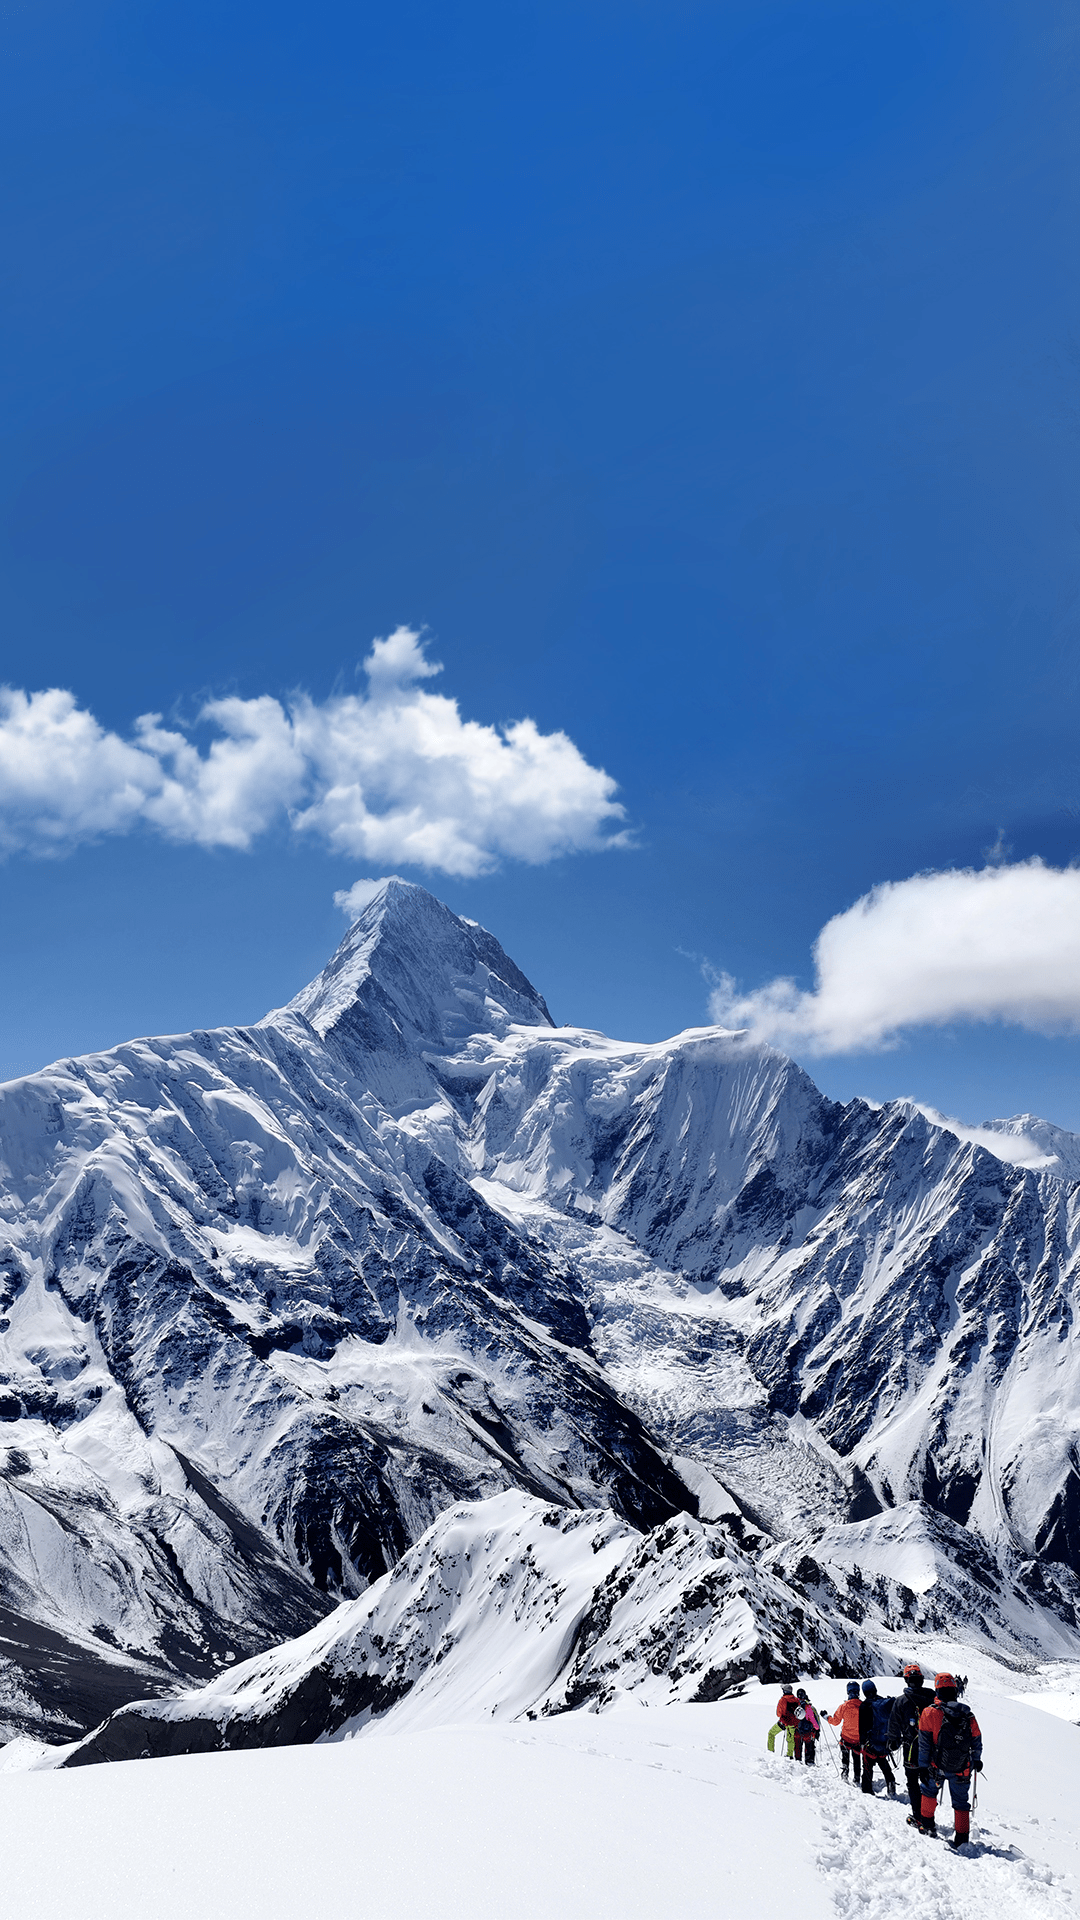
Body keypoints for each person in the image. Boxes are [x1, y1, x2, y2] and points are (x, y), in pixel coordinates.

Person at [917, 1672, 982, 1848]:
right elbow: (976, 1739)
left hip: (934, 1765)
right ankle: (962, 1838)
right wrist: (977, 1759)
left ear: (937, 1690)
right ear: (955, 1689)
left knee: (929, 1793)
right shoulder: (968, 1715)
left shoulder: (929, 1712)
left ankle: (927, 1825)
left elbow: (924, 1744)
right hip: (962, 1767)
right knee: (961, 1802)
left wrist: (922, 1766)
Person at [888, 1663, 936, 1824]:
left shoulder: (901, 1701)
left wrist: (893, 1741)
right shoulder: (932, 1698)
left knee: (913, 1782)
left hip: (911, 1748)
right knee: (929, 1782)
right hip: (932, 1748)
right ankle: (929, 1817)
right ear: (921, 1679)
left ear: (906, 1680)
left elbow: (893, 1724)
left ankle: (918, 1816)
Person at [859, 1680, 897, 1796]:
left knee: (867, 1766)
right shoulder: (883, 1703)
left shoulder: (864, 1706)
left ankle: (867, 1790)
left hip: (870, 1743)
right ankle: (891, 1783)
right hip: (884, 1742)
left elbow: (862, 1727)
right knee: (884, 1763)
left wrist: (862, 1742)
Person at [828, 1682, 863, 1783]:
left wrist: (827, 1717)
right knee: (857, 1759)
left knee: (845, 1757)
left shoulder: (843, 1706)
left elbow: (835, 1722)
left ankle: (845, 1774)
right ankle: (857, 1778)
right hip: (858, 1739)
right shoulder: (863, 1706)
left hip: (846, 1738)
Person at [793, 1687, 820, 1764]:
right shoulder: (808, 1707)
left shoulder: (795, 1705)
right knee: (809, 1746)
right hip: (807, 1731)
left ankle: (798, 1760)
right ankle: (809, 1761)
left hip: (797, 1729)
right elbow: (812, 1720)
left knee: (797, 1746)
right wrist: (817, 1729)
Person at [772, 1683, 799, 1758]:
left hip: (784, 1722)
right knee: (790, 1739)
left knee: (771, 1733)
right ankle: (790, 1755)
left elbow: (778, 1714)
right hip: (794, 1723)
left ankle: (770, 1752)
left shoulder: (782, 1700)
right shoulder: (796, 1700)